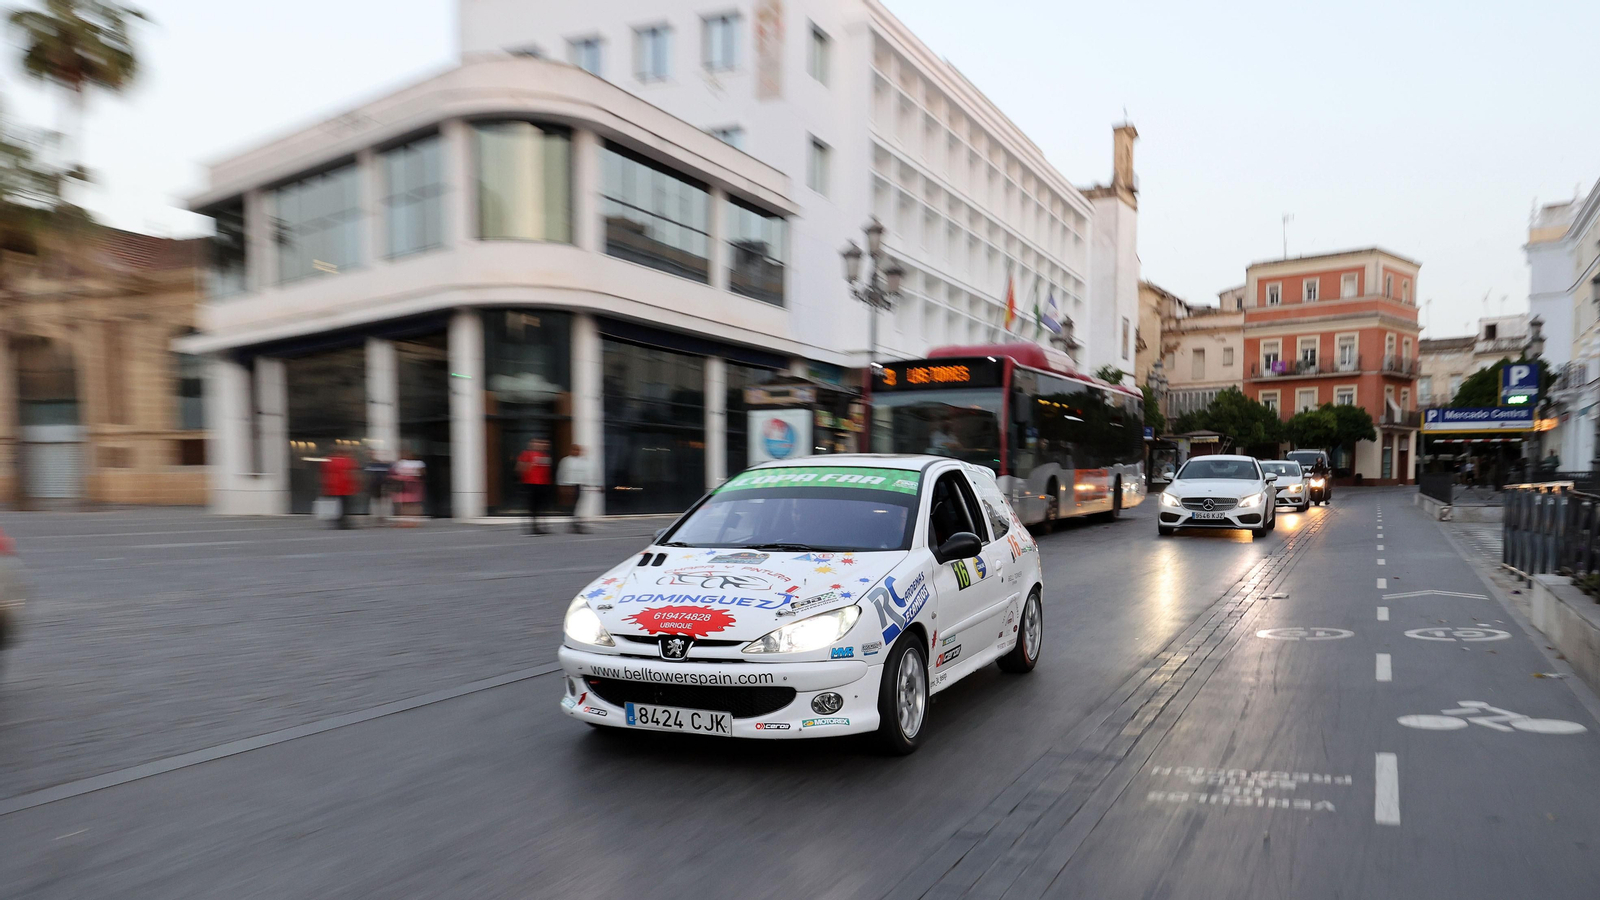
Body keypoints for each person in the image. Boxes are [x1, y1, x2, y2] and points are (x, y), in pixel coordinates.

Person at [556, 444, 597, 534]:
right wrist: (561, 485)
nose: (576, 452)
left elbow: (586, 473)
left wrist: (590, 484)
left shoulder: (584, 461)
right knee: (571, 506)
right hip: (568, 485)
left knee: (577, 506)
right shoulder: (566, 461)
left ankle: (575, 524)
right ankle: (574, 524)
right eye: (574, 450)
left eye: (578, 450)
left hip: (578, 485)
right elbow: (561, 473)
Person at [517, 438, 554, 535]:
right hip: (531, 483)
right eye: (537, 443)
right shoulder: (526, 454)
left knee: (542, 506)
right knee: (533, 506)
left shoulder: (546, 456)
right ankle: (534, 526)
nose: (541, 445)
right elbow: (520, 467)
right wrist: (529, 466)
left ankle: (542, 526)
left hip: (544, 484)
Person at [321, 449, 358, 530]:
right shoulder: (347, 461)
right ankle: (344, 523)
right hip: (344, 487)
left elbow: (326, 474)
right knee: (345, 506)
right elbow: (350, 474)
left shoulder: (330, 461)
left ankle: (337, 521)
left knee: (336, 506)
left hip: (334, 487)